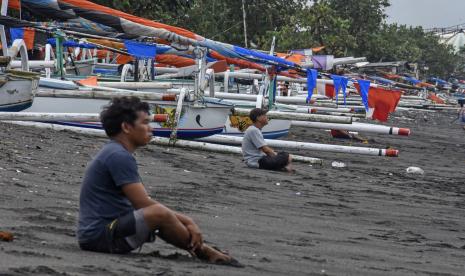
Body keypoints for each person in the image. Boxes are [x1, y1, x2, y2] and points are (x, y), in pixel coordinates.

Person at [77, 97, 239, 266]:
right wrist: (188, 221)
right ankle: (204, 251)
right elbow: (143, 203)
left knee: (158, 213)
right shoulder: (117, 155)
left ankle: (203, 248)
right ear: (126, 127)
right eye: (145, 123)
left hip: (103, 232)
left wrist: (180, 221)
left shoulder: (115, 152)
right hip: (99, 237)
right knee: (158, 213)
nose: (150, 128)